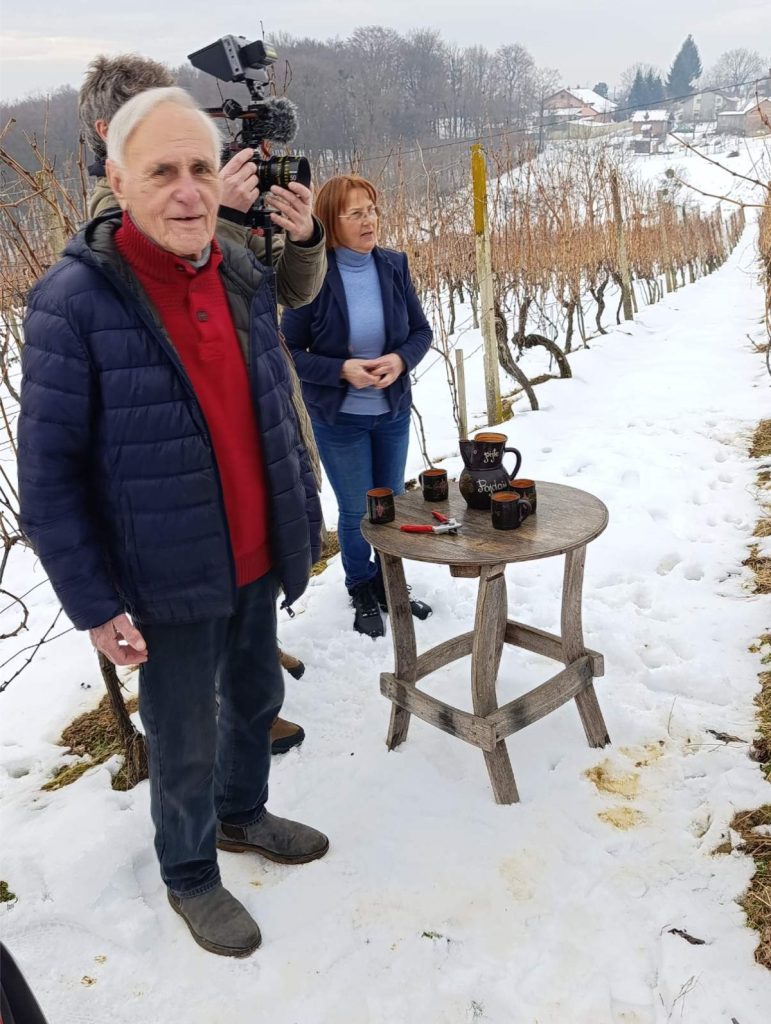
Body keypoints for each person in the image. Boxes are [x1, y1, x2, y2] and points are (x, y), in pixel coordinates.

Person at [19, 87, 329, 958]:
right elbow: (47, 474)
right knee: (184, 733)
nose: (190, 191)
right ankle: (189, 872)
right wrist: (93, 602)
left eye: (201, 167)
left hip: (255, 551)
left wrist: (297, 518)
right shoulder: (73, 302)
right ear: (118, 180)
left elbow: (267, 406)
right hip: (166, 571)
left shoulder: (235, 268)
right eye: (162, 172)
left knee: (257, 697)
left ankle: (241, 813)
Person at [78, 53, 323, 754]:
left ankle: (252, 660)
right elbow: (173, 292)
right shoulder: (114, 215)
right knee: (206, 573)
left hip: (250, 408)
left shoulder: (196, 192)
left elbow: (287, 291)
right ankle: (228, 722)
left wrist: (301, 234)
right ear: (109, 131)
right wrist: (226, 213)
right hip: (187, 438)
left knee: (251, 555)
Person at [281, 175, 433, 638]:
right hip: (340, 418)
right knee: (355, 511)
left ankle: (390, 582)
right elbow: (289, 349)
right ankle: (361, 585)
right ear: (332, 220)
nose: (370, 221)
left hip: (392, 412)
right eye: (356, 214)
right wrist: (341, 370)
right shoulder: (312, 275)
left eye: (372, 210)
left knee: (392, 503)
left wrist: (399, 360)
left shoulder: (393, 265)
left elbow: (421, 332)